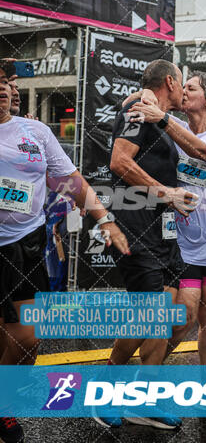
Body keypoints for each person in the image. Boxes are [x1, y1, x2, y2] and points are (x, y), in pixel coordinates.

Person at [0, 61, 129, 443]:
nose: (3, 89)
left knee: (28, 341)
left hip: (24, 244)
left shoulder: (34, 131)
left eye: (5, 82)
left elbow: (70, 181)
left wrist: (104, 220)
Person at [102, 59, 198, 431]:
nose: (184, 91)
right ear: (170, 82)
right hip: (135, 228)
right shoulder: (137, 108)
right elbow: (119, 162)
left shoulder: (157, 115)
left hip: (164, 232)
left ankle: (147, 399)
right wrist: (166, 192)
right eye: (182, 84)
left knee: (170, 316)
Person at [128, 70, 206, 367]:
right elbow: (130, 103)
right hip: (182, 245)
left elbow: (200, 150)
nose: (183, 91)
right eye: (182, 86)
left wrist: (162, 118)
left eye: (191, 88)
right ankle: (144, 380)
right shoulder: (170, 123)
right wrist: (148, 96)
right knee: (182, 319)